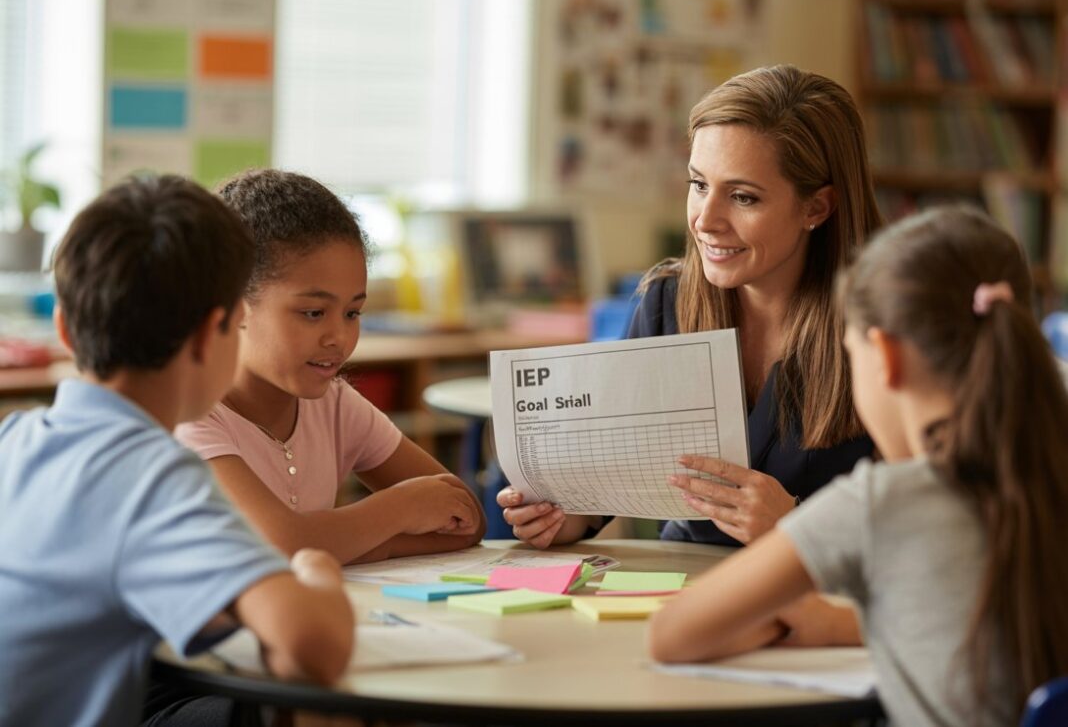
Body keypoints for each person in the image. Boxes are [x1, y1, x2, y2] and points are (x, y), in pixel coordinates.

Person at [648, 206, 1068, 726]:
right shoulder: (1049, 475)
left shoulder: (883, 502)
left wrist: (826, 620)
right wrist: (853, 623)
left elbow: (673, 634)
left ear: (885, 357)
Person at [0, 175, 354, 727]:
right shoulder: (152, 477)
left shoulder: (12, 440)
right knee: (316, 710)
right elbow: (313, 643)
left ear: (64, 329)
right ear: (214, 332)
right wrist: (316, 569)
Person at [499, 64, 881, 547]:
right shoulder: (667, 303)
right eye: (699, 185)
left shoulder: (886, 325)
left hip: (821, 601)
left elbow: (939, 533)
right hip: (683, 583)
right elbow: (611, 481)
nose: (706, 220)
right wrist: (563, 516)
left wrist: (799, 529)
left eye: (743, 197)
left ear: (816, 208)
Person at [176, 169, 485, 565]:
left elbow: (465, 518)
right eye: (313, 312)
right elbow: (280, 545)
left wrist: (354, 543)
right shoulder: (190, 418)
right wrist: (401, 509)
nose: (338, 336)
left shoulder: (335, 404)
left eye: (353, 312)